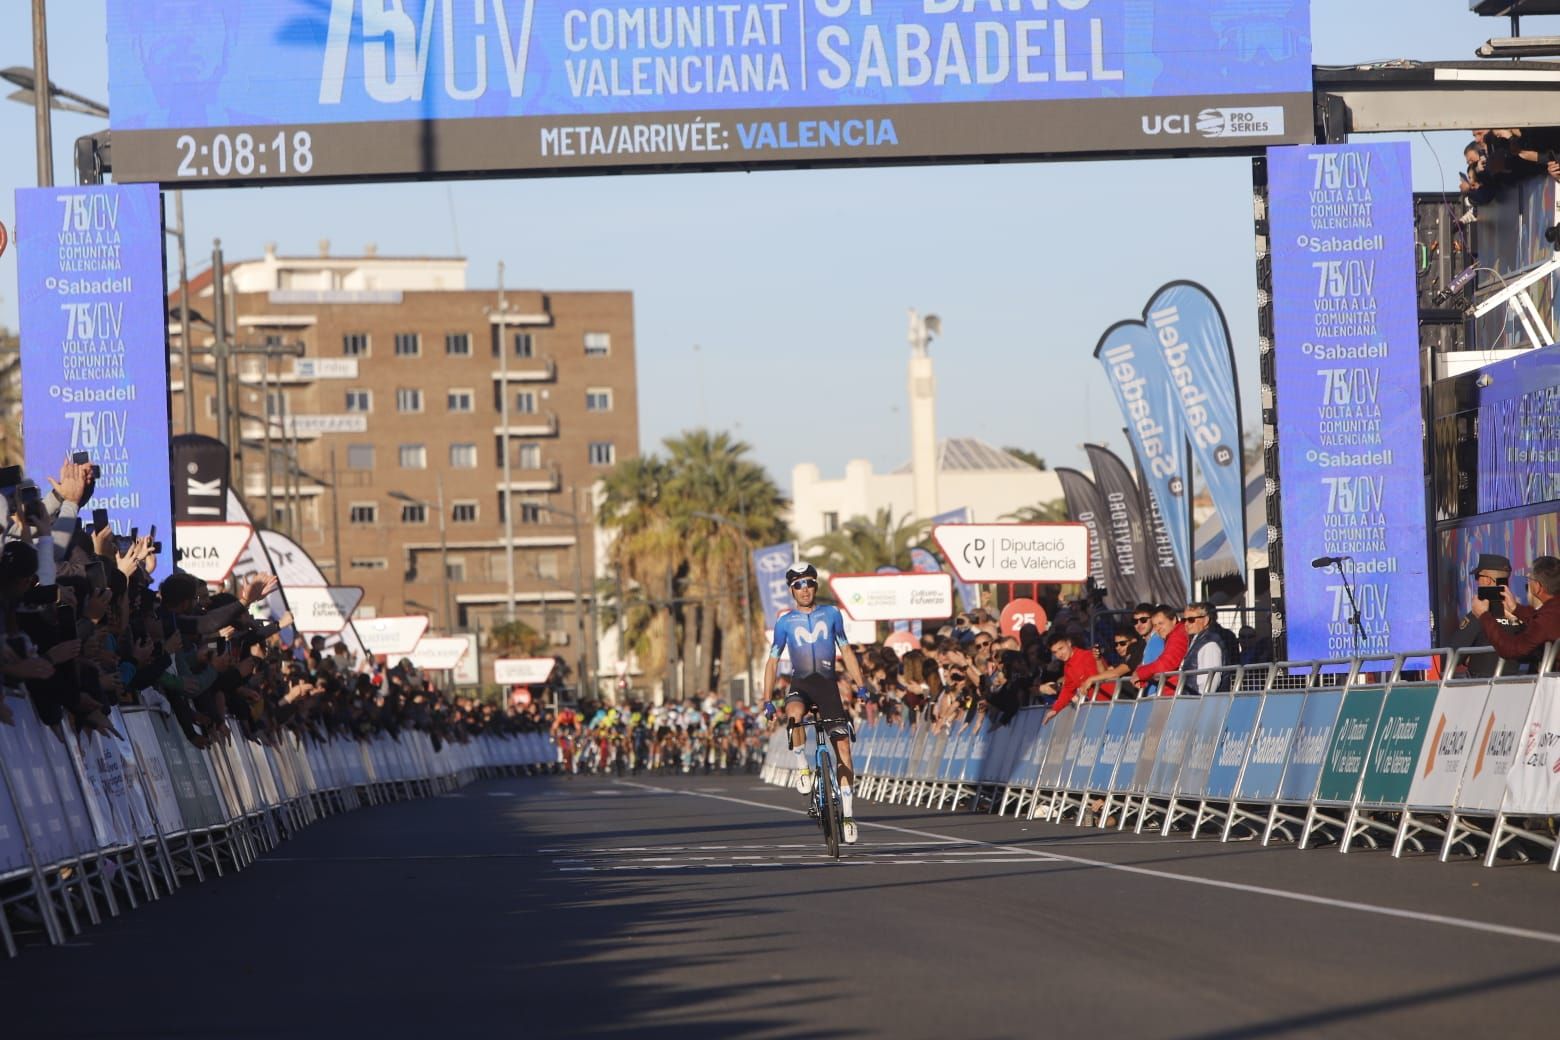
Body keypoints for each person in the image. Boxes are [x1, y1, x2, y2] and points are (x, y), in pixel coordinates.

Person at [761, 562, 868, 845]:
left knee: (843, 748)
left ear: (815, 586)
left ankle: (846, 814)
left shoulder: (832, 614)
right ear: (791, 590)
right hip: (801, 685)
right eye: (798, 585)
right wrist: (766, 699)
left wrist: (861, 685)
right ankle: (802, 766)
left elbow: (846, 649)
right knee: (794, 715)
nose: (804, 589)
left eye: (809, 583)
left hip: (828, 687)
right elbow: (772, 662)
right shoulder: (785, 622)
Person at [1471, 556, 1560, 671]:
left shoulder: (1546, 619)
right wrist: (1515, 608)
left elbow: (1511, 649)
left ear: (1538, 587)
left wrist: (1484, 616)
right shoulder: (1551, 612)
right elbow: (1541, 617)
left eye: (1530, 580)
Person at [1445, 553, 1511, 677]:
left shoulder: (1479, 614)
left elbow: (1451, 658)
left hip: (1482, 687)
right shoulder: (1519, 613)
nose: (1476, 581)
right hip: (1520, 684)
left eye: (1477, 576)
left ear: (1486, 580)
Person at [1040, 631, 1102, 723]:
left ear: (1069, 643)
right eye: (1055, 652)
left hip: (1103, 704)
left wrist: (1080, 694)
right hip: (1095, 708)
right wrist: (1055, 709)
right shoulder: (1068, 666)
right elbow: (1068, 689)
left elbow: (1096, 679)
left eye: (1061, 648)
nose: (1059, 654)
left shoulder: (1086, 656)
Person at [1182, 602, 1236, 694]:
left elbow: (1210, 683)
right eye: (1184, 620)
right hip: (1193, 700)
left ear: (1205, 620)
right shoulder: (1197, 640)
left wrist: (1201, 702)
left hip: (1203, 703)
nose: (1186, 624)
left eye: (1191, 620)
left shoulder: (1210, 644)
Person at [1135, 605, 1189, 695]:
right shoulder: (1172, 635)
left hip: (1176, 694)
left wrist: (1140, 673)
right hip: (1173, 691)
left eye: (1161, 623)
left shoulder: (1178, 635)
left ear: (1174, 620)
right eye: (1155, 625)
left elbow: (1165, 664)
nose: (1158, 628)